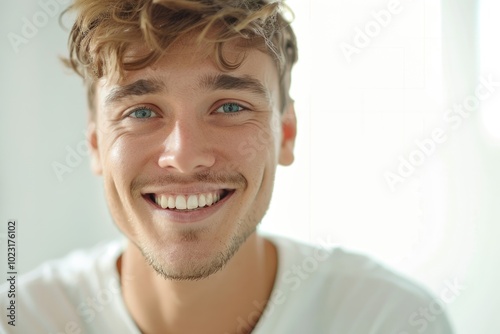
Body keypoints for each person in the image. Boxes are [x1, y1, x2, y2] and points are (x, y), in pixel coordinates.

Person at [1, 0, 454, 333]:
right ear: (97, 144)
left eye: (230, 106)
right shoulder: (23, 319)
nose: (183, 156)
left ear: (286, 135)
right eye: (141, 112)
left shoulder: (390, 320)